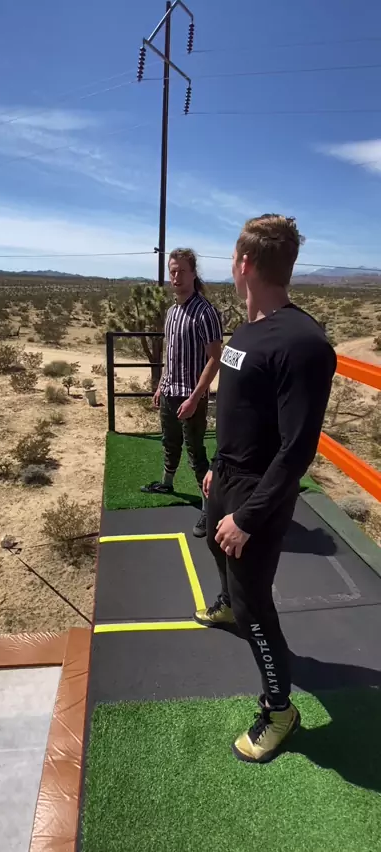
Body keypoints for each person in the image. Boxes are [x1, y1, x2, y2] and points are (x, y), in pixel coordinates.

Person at [194, 214, 336, 763]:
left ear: (245, 263)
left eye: (232, 258)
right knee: (217, 553)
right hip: (227, 477)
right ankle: (228, 604)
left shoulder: (303, 343)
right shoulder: (248, 330)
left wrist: (248, 517)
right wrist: (217, 467)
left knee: (256, 607)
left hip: (260, 495)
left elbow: (297, 450)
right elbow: (243, 411)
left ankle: (280, 711)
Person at [141, 248, 223, 537]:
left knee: (195, 453)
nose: (175, 277)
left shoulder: (205, 312)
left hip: (192, 396)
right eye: (172, 271)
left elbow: (215, 358)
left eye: (181, 271)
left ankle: (209, 507)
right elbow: (171, 353)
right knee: (170, 441)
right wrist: (161, 384)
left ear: (193, 273)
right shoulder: (172, 312)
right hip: (169, 391)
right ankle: (167, 483)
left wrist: (195, 397)